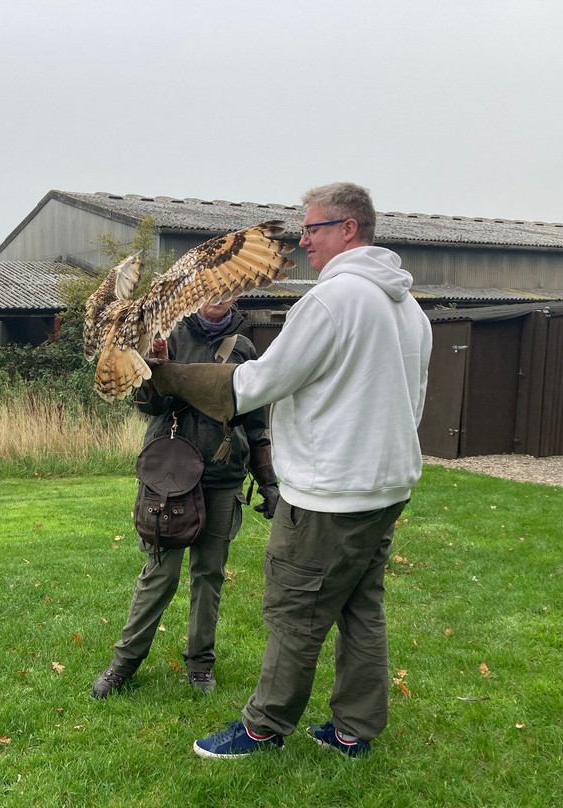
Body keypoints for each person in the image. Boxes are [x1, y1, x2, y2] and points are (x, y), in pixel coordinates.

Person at [149, 182, 432, 757]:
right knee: (361, 608)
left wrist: (167, 374)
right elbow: (413, 399)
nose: (303, 242)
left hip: (330, 494)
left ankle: (263, 728)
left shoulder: (332, 301)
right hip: (386, 488)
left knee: (294, 611)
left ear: (348, 229)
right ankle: (353, 731)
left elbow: (253, 385)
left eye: (313, 229)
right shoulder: (408, 308)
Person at [91, 299, 279, 698]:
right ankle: (123, 664)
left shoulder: (244, 348)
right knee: (160, 574)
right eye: (211, 287)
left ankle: (200, 665)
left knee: (209, 576)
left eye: (226, 288)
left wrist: (268, 482)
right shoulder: (167, 335)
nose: (218, 296)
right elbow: (147, 406)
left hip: (224, 475)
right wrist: (158, 364)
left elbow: (255, 422)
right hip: (170, 475)